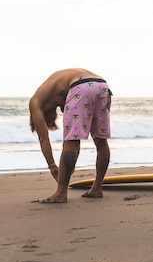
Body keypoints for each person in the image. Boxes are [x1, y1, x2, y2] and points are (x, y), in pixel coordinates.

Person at [29, 68, 112, 203]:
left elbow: (43, 138)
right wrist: (69, 168)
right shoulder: (55, 87)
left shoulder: (36, 102)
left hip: (81, 85)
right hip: (102, 85)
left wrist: (52, 166)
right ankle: (97, 188)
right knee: (101, 140)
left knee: (71, 141)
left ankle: (61, 193)